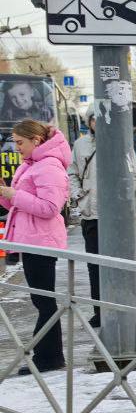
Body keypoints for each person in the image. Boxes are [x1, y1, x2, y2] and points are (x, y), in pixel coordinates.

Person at [0, 119, 71, 375]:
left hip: (41, 242)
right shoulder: (31, 166)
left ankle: (48, 359)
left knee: (44, 301)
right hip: (31, 241)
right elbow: (17, 207)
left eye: (20, 142)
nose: (16, 147)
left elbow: (50, 208)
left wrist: (14, 195)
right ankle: (48, 356)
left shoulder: (49, 167)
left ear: (36, 141)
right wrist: (5, 193)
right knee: (42, 300)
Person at [68, 111, 136, 328]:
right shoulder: (80, 145)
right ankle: (99, 311)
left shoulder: (122, 142)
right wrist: (78, 195)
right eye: (93, 119)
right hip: (90, 215)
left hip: (115, 218)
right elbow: (72, 172)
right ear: (89, 122)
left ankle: (120, 310)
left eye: (101, 119)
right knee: (94, 266)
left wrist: (118, 202)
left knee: (117, 266)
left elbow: (134, 175)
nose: (97, 123)